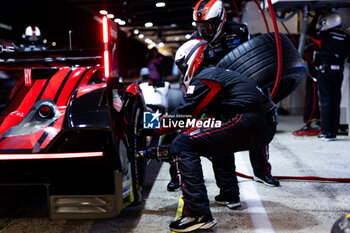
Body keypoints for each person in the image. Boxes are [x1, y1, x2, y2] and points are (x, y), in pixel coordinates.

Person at [156, 39, 277, 232]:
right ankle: (229, 195)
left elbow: (183, 115)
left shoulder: (204, 77)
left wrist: (150, 125)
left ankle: (197, 214)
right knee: (216, 138)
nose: (180, 71)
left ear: (193, 59)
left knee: (182, 144)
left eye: (181, 66)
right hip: (263, 124)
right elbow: (203, 118)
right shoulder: (219, 74)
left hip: (250, 121)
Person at [166, 0, 279, 193]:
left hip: (240, 87)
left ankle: (261, 171)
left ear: (221, 20)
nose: (205, 30)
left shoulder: (239, 31)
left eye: (209, 25)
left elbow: (253, 60)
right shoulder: (196, 38)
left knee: (255, 122)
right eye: (201, 26)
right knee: (189, 129)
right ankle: (178, 175)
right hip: (211, 91)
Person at [309, 11, 350, 141]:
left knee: (326, 102)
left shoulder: (324, 36)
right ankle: (333, 131)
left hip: (325, 72)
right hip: (338, 72)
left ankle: (326, 132)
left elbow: (310, 33)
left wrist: (315, 16)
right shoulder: (345, 37)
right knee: (335, 102)